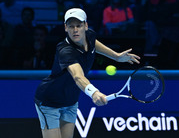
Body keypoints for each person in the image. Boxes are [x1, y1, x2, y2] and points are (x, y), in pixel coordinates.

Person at [34, 8, 140, 138]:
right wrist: (94, 92)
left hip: (70, 101)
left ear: (86, 26)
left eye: (79, 25)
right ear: (65, 28)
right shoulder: (66, 51)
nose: (75, 30)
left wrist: (116, 56)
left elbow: (93, 44)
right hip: (49, 102)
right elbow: (78, 76)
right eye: (71, 26)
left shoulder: (89, 35)